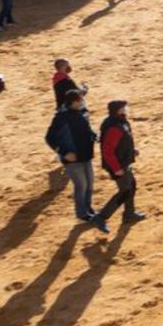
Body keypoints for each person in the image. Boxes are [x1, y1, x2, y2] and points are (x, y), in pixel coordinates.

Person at [45, 89, 103, 229]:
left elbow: (87, 129)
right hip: (72, 158)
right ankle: (81, 213)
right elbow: (49, 138)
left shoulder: (83, 112)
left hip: (85, 154)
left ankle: (88, 209)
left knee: (89, 183)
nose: (83, 102)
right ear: (74, 102)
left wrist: (94, 136)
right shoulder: (61, 118)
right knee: (81, 185)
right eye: (80, 100)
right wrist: (64, 153)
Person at [89, 99, 146, 229]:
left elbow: (122, 142)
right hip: (118, 165)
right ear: (118, 110)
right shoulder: (115, 127)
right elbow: (108, 151)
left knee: (131, 186)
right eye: (124, 107)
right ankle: (101, 217)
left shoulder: (118, 121)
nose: (127, 109)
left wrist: (132, 150)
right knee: (124, 191)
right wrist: (116, 168)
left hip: (123, 162)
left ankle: (129, 214)